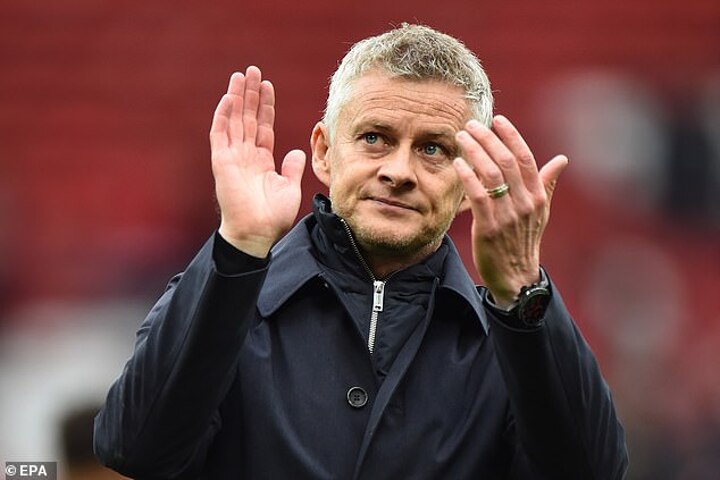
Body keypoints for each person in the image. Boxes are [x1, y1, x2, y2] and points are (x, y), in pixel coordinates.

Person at [94, 24, 628, 479]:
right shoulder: (227, 301)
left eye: (433, 149)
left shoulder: (512, 341)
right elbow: (134, 449)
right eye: (375, 138)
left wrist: (521, 291)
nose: (398, 171)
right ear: (325, 152)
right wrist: (238, 248)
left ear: (469, 184)